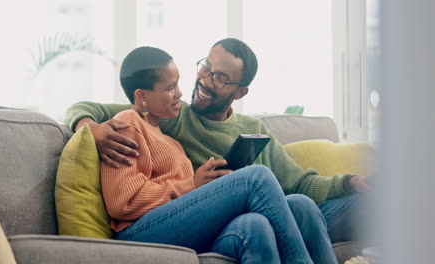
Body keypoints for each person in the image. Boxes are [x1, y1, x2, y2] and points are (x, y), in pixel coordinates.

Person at [64, 38, 370, 243]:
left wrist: (349, 181)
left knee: (310, 204)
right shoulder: (173, 114)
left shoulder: (254, 129)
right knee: (258, 181)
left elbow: (300, 183)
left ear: (240, 92)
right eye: (206, 68)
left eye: (221, 78)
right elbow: (92, 108)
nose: (206, 82)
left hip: (263, 211)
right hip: (207, 216)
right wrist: (90, 128)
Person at [100, 46, 337, 263]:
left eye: (179, 84)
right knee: (256, 178)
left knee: (277, 215)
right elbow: (123, 203)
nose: (180, 94)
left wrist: (199, 185)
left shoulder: (169, 138)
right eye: (170, 88)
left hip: (172, 225)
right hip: (137, 232)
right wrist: (191, 185)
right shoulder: (127, 124)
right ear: (142, 97)